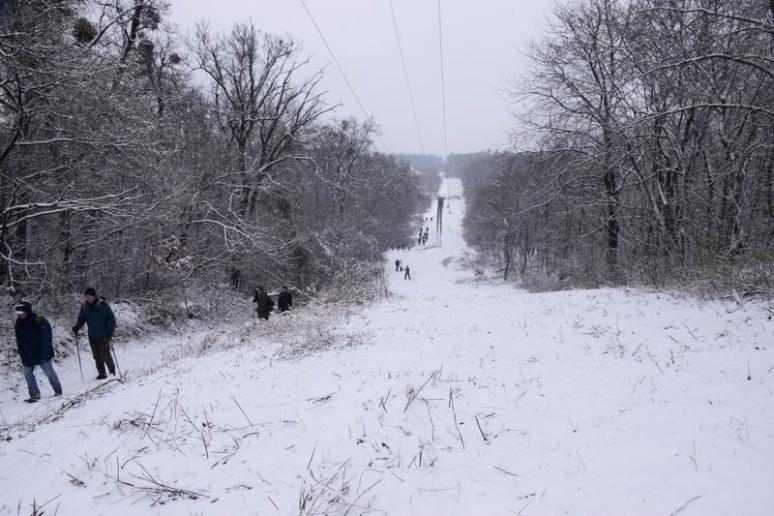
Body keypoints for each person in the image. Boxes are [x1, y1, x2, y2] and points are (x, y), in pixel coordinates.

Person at [15, 302, 62, 403]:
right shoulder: (18, 323)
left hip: (42, 352)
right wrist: (22, 353)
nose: (20, 315)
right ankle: (34, 396)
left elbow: (47, 335)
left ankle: (58, 390)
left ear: (27, 311)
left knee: (49, 372)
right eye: (18, 313)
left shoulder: (38, 319)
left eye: (21, 313)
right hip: (27, 355)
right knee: (28, 374)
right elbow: (18, 339)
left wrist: (45, 351)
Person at [72, 287, 116, 380]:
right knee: (96, 356)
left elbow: (111, 319)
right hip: (92, 335)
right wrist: (77, 327)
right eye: (86, 296)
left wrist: (110, 332)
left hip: (104, 334)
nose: (87, 298)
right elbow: (81, 319)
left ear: (94, 296)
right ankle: (102, 373)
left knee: (105, 354)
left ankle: (112, 372)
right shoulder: (84, 307)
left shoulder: (103, 305)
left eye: (89, 296)